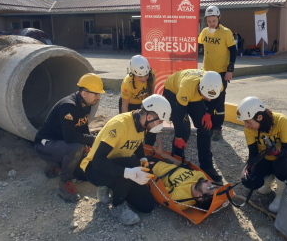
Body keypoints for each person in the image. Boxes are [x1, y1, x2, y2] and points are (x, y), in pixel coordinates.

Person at [80, 94, 171, 225]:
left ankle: (115, 186)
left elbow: (136, 140)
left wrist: (143, 158)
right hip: (95, 169)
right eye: (160, 121)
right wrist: (129, 173)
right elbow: (98, 160)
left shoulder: (141, 122)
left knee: (147, 206)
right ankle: (117, 205)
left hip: (116, 165)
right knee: (132, 163)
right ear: (150, 117)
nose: (161, 125)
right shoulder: (120, 125)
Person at [34, 73, 104, 202]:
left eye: (99, 94)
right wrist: (92, 140)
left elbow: (83, 127)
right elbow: (70, 137)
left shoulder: (86, 104)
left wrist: (89, 145)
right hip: (44, 144)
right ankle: (64, 184)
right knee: (76, 148)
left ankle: (54, 164)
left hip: (60, 142)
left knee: (83, 173)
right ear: (84, 93)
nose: (98, 97)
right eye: (96, 94)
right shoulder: (69, 106)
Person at [236, 96, 287, 213]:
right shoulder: (250, 128)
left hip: (285, 161)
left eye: (248, 122)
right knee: (249, 180)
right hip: (266, 160)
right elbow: (253, 153)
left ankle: (280, 194)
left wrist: (277, 152)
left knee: (282, 165)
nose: (246, 125)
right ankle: (268, 180)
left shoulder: (282, 121)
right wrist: (249, 168)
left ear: (259, 117)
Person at [162, 69, 224, 183]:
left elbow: (218, 99)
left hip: (194, 94)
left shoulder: (217, 83)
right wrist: (178, 137)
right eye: (206, 96)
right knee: (184, 129)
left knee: (205, 126)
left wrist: (208, 114)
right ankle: (177, 161)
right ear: (200, 86)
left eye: (211, 97)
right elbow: (179, 116)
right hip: (174, 92)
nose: (209, 100)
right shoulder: (186, 87)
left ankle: (206, 166)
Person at [198, 5, 237, 141]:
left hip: (221, 72)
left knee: (219, 100)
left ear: (219, 18)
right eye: (209, 21)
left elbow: (233, 51)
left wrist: (229, 71)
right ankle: (207, 126)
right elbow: (197, 45)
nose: (211, 24)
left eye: (214, 20)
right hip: (206, 72)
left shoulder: (226, 33)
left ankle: (217, 129)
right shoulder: (204, 32)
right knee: (206, 99)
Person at [148, 138, 219, 210]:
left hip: (149, 168)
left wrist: (146, 169)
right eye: (213, 185)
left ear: (200, 197)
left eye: (209, 187)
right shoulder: (201, 177)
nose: (209, 181)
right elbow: (181, 165)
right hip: (159, 160)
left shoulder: (180, 198)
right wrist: (162, 154)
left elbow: (156, 188)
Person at [119, 55, 156, 146]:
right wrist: (126, 122)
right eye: (140, 76)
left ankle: (148, 147)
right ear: (133, 74)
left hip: (144, 103)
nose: (144, 78)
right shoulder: (128, 82)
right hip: (130, 104)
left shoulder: (151, 74)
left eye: (146, 75)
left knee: (152, 124)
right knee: (132, 128)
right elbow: (124, 106)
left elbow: (151, 94)